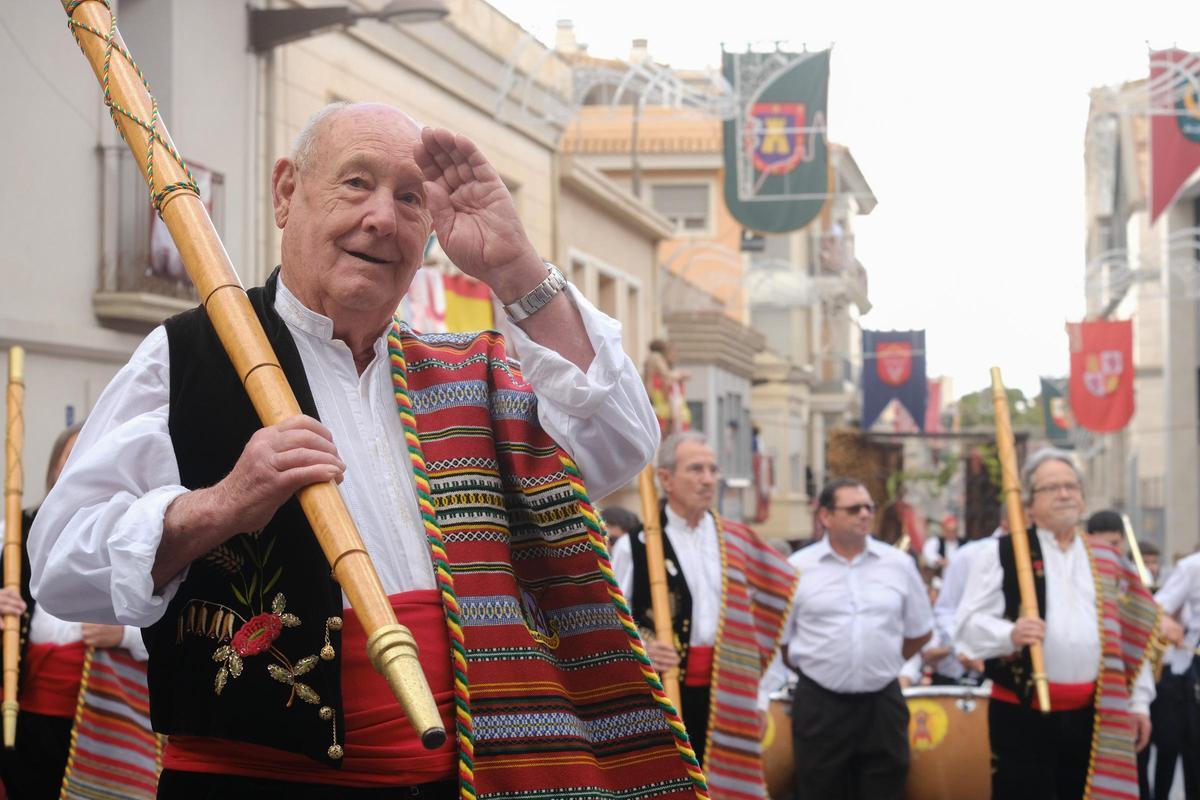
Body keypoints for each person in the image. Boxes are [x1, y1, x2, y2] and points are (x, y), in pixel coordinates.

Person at [28, 103, 702, 800]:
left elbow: (622, 441)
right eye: (356, 184)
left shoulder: (474, 371)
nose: (382, 216)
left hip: (469, 780)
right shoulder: (186, 356)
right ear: (288, 191)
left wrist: (514, 267)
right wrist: (219, 506)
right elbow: (58, 567)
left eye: (410, 198)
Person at [956, 448, 1173, 800]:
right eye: (1051, 487)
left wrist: (1138, 704)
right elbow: (966, 627)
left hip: (1093, 717)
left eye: (1071, 486)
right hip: (1022, 715)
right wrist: (1009, 634)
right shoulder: (1002, 552)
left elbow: (1130, 640)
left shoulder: (1106, 559)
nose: (1064, 494)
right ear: (1027, 503)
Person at [610, 431, 796, 798]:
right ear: (665, 479)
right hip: (661, 696)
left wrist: (758, 698)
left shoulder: (737, 541)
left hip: (729, 691)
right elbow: (610, 621)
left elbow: (761, 628)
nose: (708, 479)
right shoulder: (638, 544)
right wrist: (644, 645)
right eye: (696, 469)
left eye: (713, 469)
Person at [0, 424, 156, 799]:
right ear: (53, 468)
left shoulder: (134, 535)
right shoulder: (14, 532)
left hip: (104, 716)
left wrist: (123, 634)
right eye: (70, 457)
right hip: (22, 712)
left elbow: (170, 622)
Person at [773, 478, 933, 800]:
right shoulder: (797, 569)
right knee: (820, 789)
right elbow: (783, 639)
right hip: (821, 703)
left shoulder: (898, 564)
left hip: (882, 703)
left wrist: (880, 659)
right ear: (826, 517)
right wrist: (825, 664)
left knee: (886, 787)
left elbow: (920, 630)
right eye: (853, 508)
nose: (864, 514)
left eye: (868, 507)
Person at [1148, 549, 1200, 799]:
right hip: (1188, 669)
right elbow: (1157, 609)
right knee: (1185, 749)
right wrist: (1168, 624)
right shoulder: (1192, 567)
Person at [643, 339, 690, 437]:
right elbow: (666, 375)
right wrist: (680, 375)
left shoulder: (650, 359)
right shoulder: (656, 358)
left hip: (651, 399)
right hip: (659, 404)